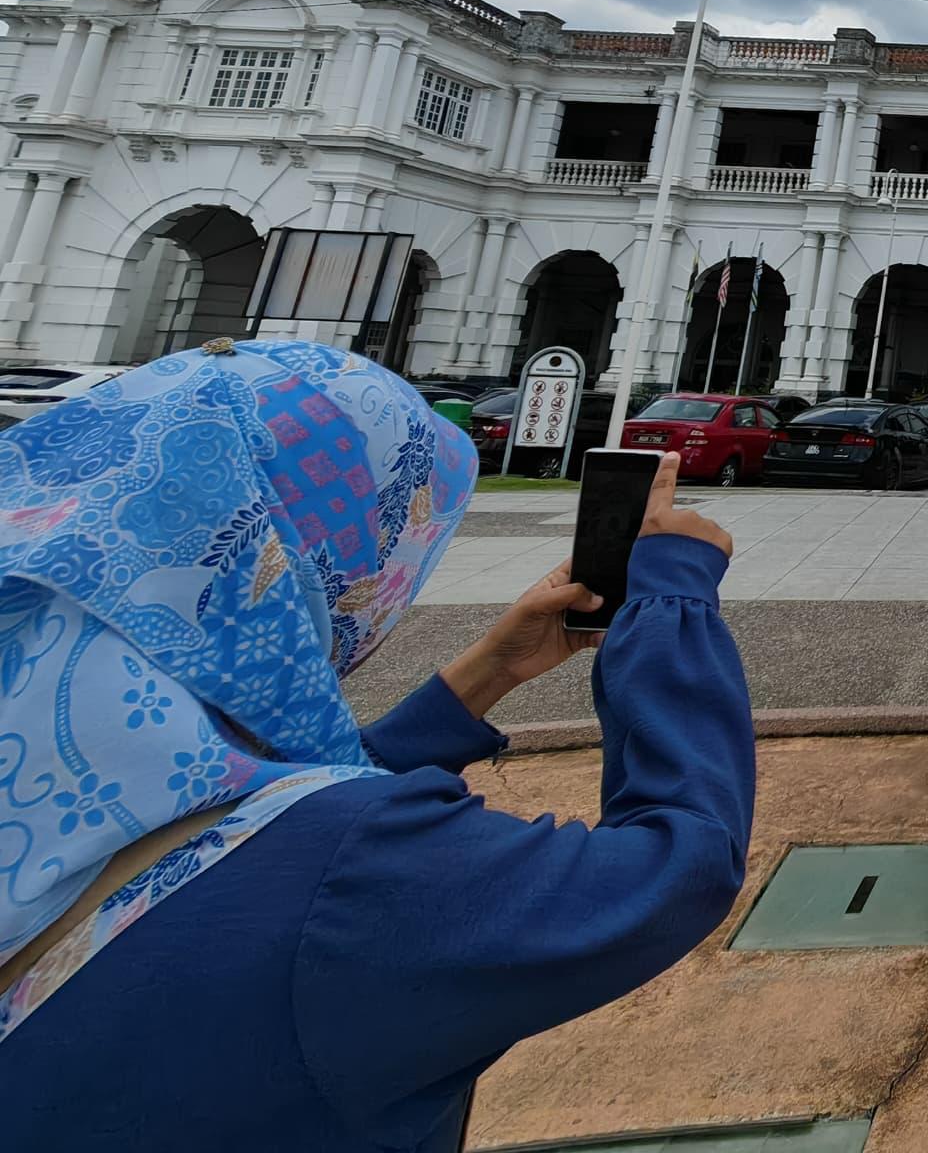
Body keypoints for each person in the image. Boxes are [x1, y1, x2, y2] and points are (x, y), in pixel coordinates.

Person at [0, 340, 754, 1151]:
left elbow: (241, 826)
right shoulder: (356, 875)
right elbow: (681, 864)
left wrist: (486, 675)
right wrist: (672, 597)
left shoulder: (61, 754)